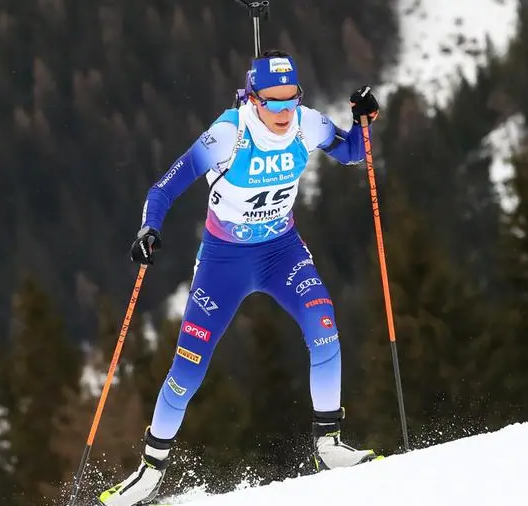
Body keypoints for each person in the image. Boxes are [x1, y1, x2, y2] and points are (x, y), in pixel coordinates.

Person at [98, 49, 382, 506]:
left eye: (292, 99)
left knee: (324, 326)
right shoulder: (227, 134)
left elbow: (352, 153)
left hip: (281, 251)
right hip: (223, 262)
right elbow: (163, 188)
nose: (284, 112)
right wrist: (149, 228)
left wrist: (364, 121)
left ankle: (328, 445)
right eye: (273, 102)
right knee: (188, 368)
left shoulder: (307, 123)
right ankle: (150, 469)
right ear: (253, 98)